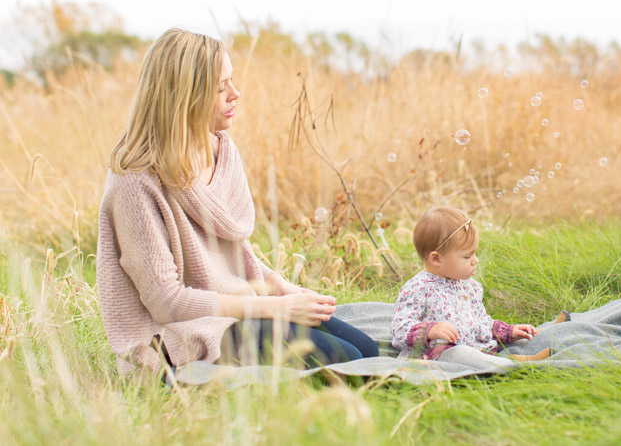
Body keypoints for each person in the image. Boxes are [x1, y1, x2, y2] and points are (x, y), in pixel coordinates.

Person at [96, 28, 378, 375]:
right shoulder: (135, 180)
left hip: (239, 312)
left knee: (366, 350)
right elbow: (167, 303)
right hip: (182, 334)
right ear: (183, 97)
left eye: (232, 81)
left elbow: (234, 257)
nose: (236, 94)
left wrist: (280, 287)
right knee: (348, 360)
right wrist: (277, 309)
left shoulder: (221, 150)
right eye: (220, 87)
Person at [390, 206, 559, 368]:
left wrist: (508, 331)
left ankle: (543, 333)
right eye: (467, 256)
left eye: (475, 253)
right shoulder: (419, 288)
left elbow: (480, 322)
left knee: (521, 339)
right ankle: (514, 363)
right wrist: (430, 330)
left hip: (477, 348)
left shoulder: (469, 287)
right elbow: (399, 329)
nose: (475, 260)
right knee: (461, 353)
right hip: (438, 356)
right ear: (436, 259)